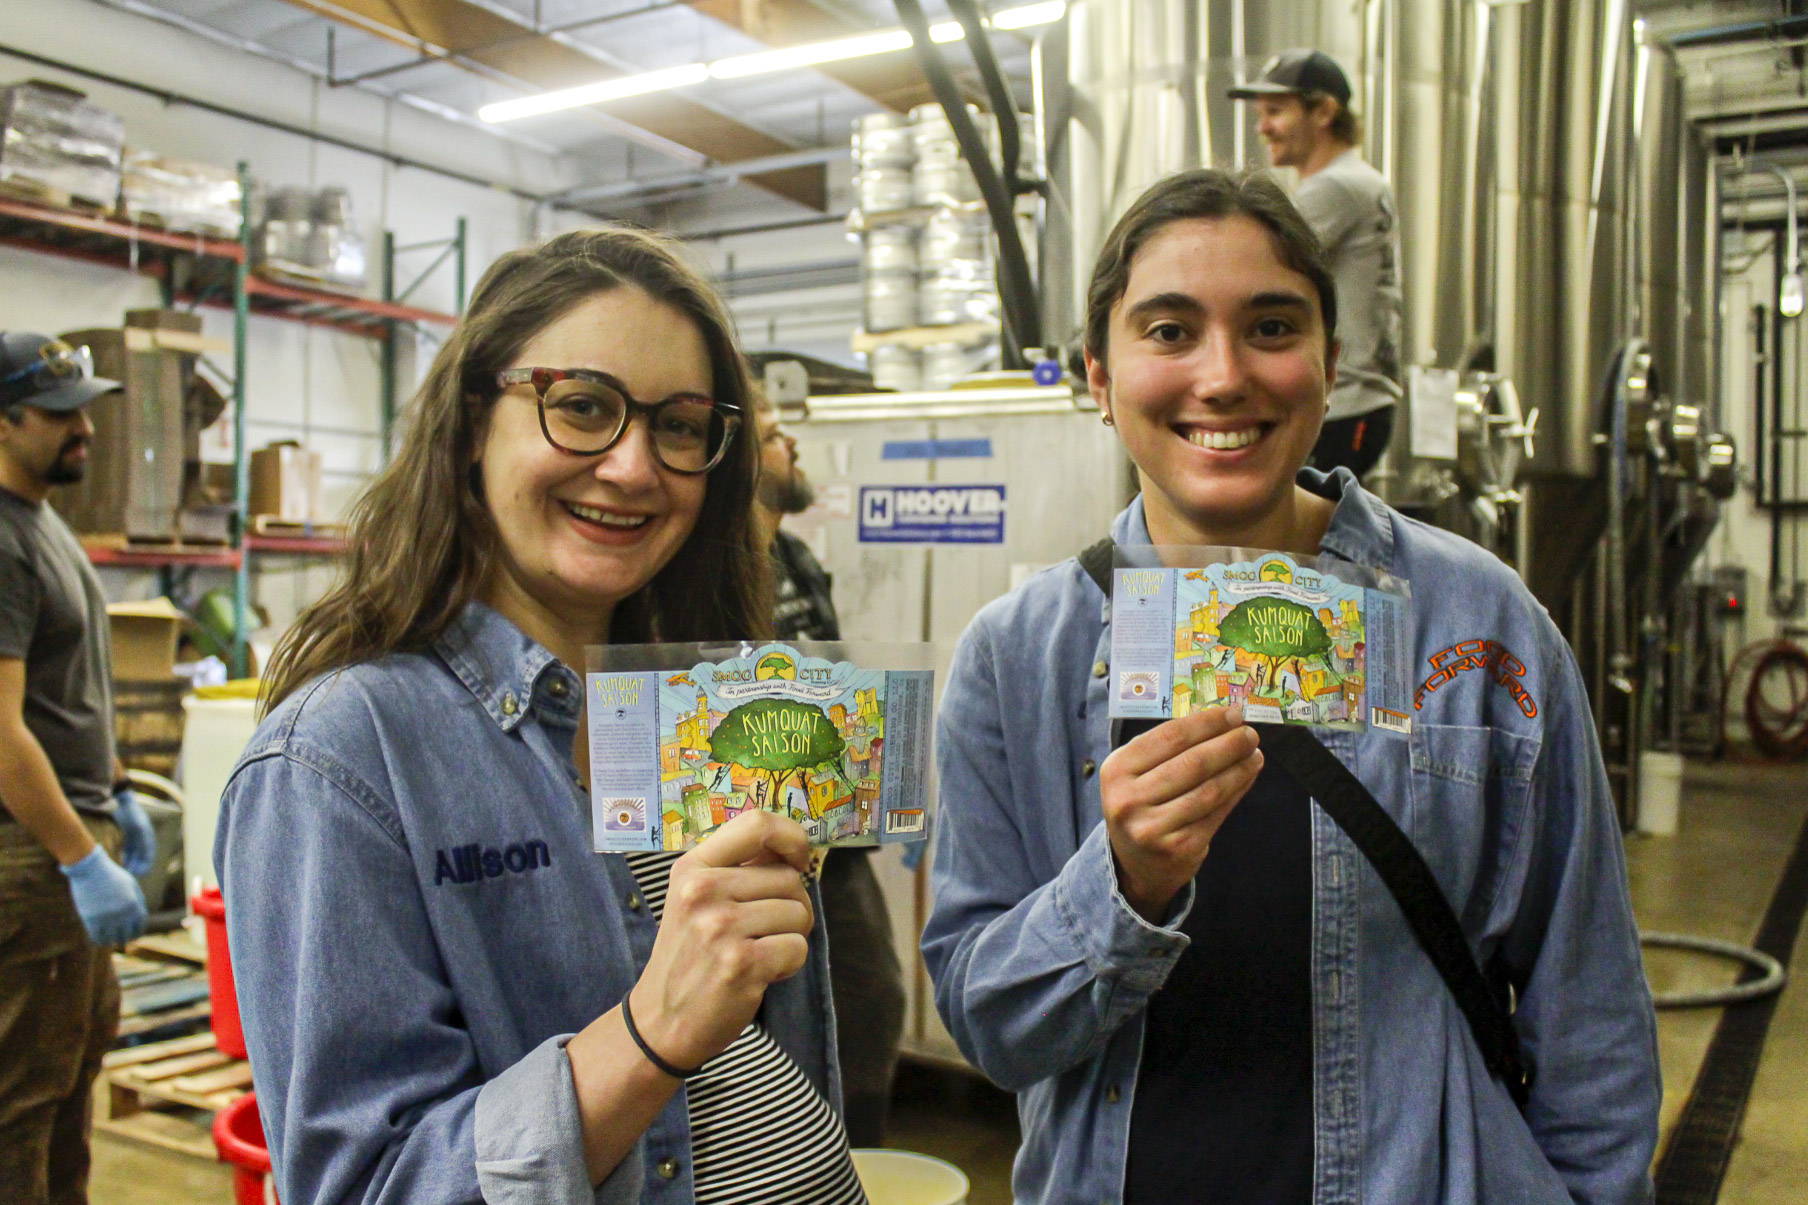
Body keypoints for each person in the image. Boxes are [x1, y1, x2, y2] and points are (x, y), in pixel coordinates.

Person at [921, 170, 1658, 1202]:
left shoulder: (1479, 621)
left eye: (1270, 326)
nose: (1221, 377)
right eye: (1168, 330)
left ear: (1329, 363)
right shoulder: (1015, 657)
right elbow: (990, 1024)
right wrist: (1120, 884)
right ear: (1098, 374)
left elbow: (1587, 1005)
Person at [217, 228, 867, 1204]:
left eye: (681, 426)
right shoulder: (339, 757)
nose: (634, 466)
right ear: (473, 420)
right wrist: (648, 1029)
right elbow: (362, 1184)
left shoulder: (689, 709)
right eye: (582, 407)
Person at [0, 331, 156, 1204]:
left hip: (65, 835)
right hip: (31, 855)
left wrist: (119, 787)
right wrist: (77, 855)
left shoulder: (41, 522)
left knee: (70, 1077)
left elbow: (65, 696)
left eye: (87, 409)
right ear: (3, 421)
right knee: (19, 1101)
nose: (84, 429)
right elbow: (1, 731)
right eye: (60, 414)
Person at [753, 391, 906, 1148]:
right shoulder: (704, 571)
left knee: (871, 1001)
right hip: (763, 851)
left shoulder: (800, 558)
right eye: (776, 437)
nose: (794, 449)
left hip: (837, 846)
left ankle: (857, 1162)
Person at [1232, 50, 1402, 480]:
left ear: (1324, 111)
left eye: (1275, 111)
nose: (1262, 127)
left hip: (1343, 405)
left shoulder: (1336, 187)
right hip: (1360, 403)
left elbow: (1244, 270)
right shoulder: (1360, 180)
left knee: (1297, 541)